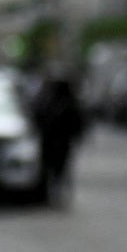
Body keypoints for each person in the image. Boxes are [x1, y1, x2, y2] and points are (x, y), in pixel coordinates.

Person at [29, 64, 86, 202]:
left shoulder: (50, 99)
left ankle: (50, 191)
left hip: (55, 140)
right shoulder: (64, 101)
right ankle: (51, 190)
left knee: (54, 166)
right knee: (57, 166)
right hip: (56, 140)